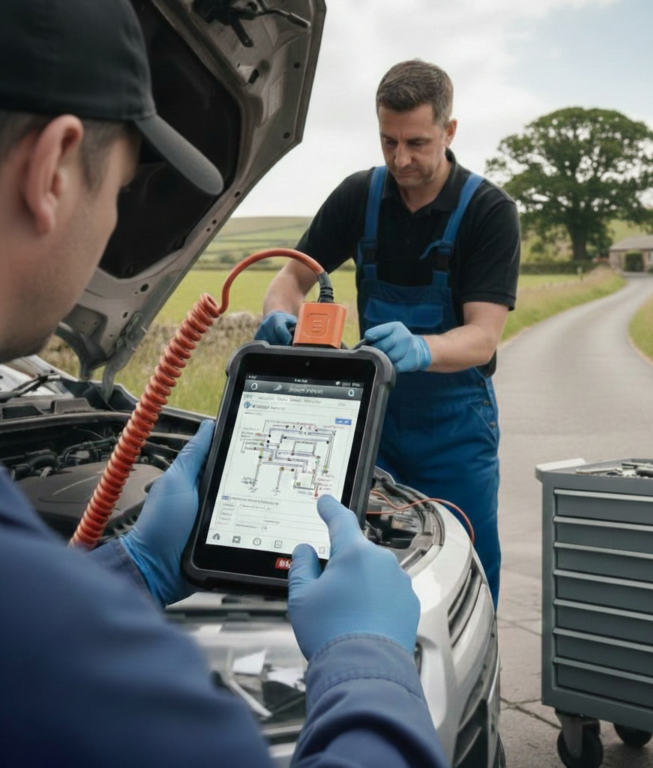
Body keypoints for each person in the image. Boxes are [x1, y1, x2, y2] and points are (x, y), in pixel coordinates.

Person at [0, 2, 448, 766]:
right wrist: (369, 662)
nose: (113, 223)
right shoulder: (64, 649)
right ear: (52, 170)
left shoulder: (486, 209)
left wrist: (128, 568)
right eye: (121, 189)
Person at [256, 60, 521, 608]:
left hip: (455, 428)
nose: (401, 159)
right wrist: (281, 315)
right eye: (388, 141)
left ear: (449, 132)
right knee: (356, 557)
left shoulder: (489, 212)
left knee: (466, 570)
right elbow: (290, 278)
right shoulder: (359, 197)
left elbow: (482, 337)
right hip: (367, 418)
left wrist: (423, 348)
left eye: (417, 142)